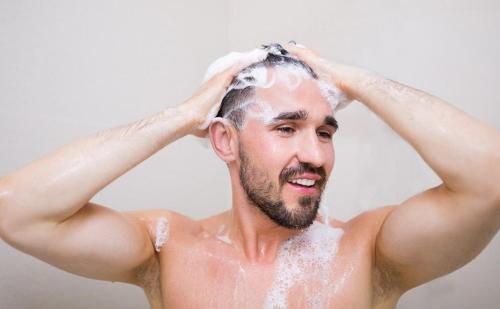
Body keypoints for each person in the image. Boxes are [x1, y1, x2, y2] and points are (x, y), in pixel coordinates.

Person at [0, 42, 499, 309]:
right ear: (225, 142)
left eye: (325, 132)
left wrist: (356, 81)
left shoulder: (370, 252)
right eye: (286, 128)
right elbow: (16, 211)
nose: (317, 155)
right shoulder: (167, 250)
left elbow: (491, 179)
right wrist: (180, 117)